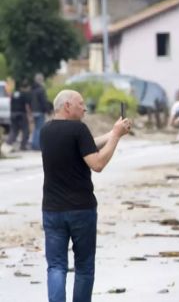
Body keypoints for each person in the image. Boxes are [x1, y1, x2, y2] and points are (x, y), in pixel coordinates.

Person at [41, 90, 132, 302]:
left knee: (55, 266)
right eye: (80, 104)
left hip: (52, 210)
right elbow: (97, 163)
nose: (84, 108)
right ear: (67, 106)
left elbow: (85, 144)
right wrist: (116, 137)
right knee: (84, 266)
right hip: (81, 209)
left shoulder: (45, 131)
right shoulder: (78, 129)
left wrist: (112, 132)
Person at [6, 80, 32, 151]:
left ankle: (7, 145)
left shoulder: (14, 93)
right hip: (22, 114)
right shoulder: (25, 94)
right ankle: (23, 146)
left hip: (13, 114)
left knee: (14, 131)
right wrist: (29, 116)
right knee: (26, 131)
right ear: (26, 87)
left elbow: (11, 102)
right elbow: (27, 106)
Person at [31, 73, 51, 151]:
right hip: (39, 111)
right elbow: (44, 102)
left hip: (34, 111)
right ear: (41, 80)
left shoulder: (33, 89)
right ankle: (37, 145)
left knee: (36, 128)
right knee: (39, 128)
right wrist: (48, 110)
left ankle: (33, 144)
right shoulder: (41, 89)